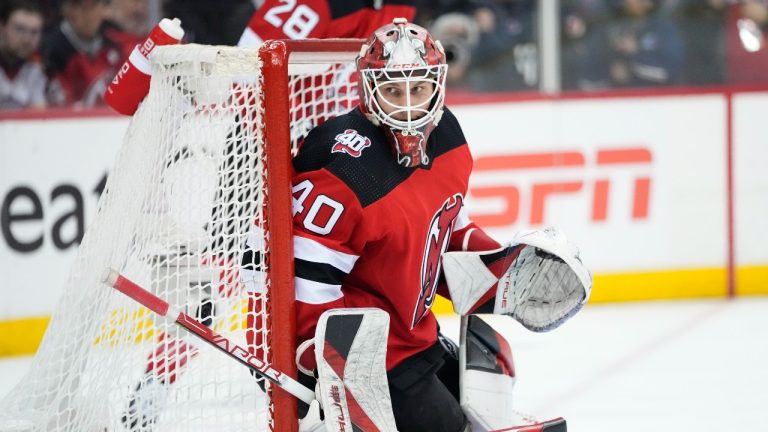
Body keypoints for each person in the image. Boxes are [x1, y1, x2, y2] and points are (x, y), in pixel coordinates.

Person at [245, 18, 515, 432]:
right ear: (369, 89)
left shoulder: (449, 136)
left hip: (414, 335)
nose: (408, 104)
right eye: (392, 90)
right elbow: (306, 284)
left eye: (419, 88)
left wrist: (499, 263)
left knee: (495, 384)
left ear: (437, 86)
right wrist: (341, 372)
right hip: (375, 356)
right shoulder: (346, 173)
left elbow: (444, 219)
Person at [41, 0, 136, 107]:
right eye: (85, 8)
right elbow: (61, 105)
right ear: (68, 11)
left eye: (96, 6)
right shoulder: (53, 51)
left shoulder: (113, 36)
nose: (92, 15)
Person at [0, 0, 47, 109]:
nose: (27, 40)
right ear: (2, 28)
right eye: (19, 29)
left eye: (34, 32)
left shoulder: (36, 71)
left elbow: (39, 117)